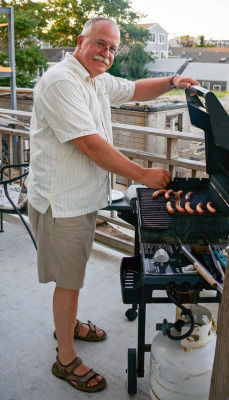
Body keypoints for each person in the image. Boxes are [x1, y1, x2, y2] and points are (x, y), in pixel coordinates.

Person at [28, 16, 200, 393]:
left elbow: (137, 88)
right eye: (100, 44)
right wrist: (142, 174)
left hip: (83, 197)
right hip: (63, 202)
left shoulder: (95, 78)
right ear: (80, 40)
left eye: (112, 47)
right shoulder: (61, 81)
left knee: (73, 275)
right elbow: (89, 144)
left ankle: (67, 327)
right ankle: (66, 359)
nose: (106, 53)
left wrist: (172, 82)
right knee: (69, 282)